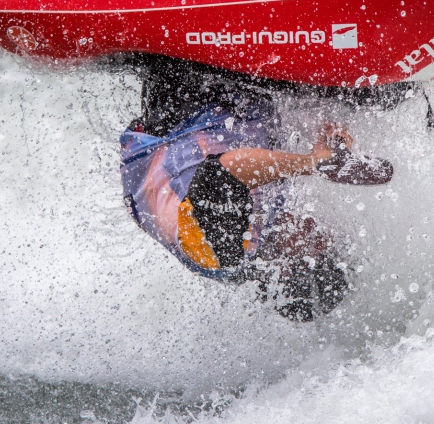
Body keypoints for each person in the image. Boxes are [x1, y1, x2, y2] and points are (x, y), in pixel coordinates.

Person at [119, 59, 392, 322]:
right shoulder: (255, 235)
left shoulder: (220, 255)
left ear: (285, 268)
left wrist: (314, 164)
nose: (320, 230)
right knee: (385, 95)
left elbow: (223, 172)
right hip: (221, 101)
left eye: (321, 246)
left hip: (189, 94)